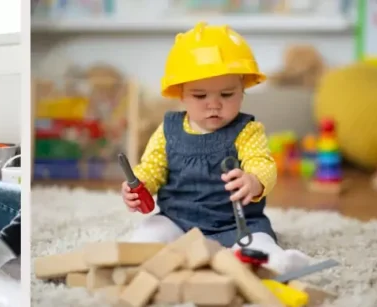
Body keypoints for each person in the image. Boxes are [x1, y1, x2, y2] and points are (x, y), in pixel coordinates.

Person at [120, 22, 311, 275]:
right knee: (149, 232)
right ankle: (135, 263)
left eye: (227, 94)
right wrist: (139, 185)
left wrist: (254, 180)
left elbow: (262, 162)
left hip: (236, 223)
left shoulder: (247, 130)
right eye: (200, 96)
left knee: (257, 243)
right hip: (178, 220)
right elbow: (152, 168)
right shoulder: (167, 130)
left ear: (242, 91)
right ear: (181, 94)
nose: (214, 105)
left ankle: (277, 264)